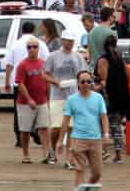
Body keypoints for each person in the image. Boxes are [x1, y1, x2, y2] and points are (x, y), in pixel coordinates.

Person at [3, 20, 48, 148]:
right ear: (34, 30)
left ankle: (19, 137)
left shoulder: (15, 44)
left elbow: (9, 64)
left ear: (22, 31)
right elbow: (47, 62)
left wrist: (7, 82)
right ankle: (36, 132)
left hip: (19, 83)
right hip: (37, 81)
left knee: (19, 111)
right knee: (39, 109)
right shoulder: (40, 44)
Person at [61, 70, 109, 189]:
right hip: (78, 139)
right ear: (78, 83)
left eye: (89, 81)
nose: (86, 84)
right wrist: (60, 141)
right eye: (83, 82)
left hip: (95, 139)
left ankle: (86, 188)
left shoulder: (98, 98)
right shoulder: (72, 99)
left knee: (97, 173)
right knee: (79, 169)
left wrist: (106, 134)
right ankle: (79, 188)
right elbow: (65, 121)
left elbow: (104, 117)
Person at [44, 30, 85, 165]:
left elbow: (83, 74)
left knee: (71, 127)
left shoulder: (78, 57)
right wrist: (56, 82)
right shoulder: (53, 56)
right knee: (56, 126)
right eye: (68, 40)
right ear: (62, 40)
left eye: (72, 41)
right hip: (57, 95)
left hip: (73, 95)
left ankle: (69, 158)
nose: (70, 43)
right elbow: (44, 74)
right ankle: (52, 148)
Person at [95, 34, 130, 164]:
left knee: (101, 124)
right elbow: (128, 76)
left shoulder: (103, 60)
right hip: (122, 96)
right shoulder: (120, 58)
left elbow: (103, 81)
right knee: (116, 126)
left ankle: (103, 151)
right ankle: (118, 155)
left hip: (109, 96)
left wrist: (93, 89)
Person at [15, 36, 51, 164]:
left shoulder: (43, 64)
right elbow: (20, 84)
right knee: (25, 130)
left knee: (44, 128)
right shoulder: (22, 65)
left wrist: (49, 98)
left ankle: (46, 154)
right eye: (29, 47)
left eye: (34, 47)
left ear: (38, 48)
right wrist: (29, 99)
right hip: (25, 103)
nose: (32, 49)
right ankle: (26, 154)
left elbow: (47, 82)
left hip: (42, 100)